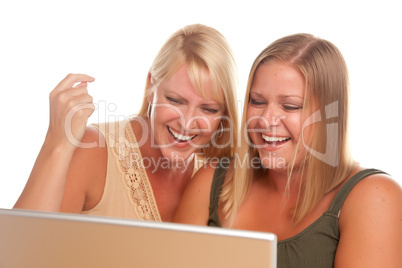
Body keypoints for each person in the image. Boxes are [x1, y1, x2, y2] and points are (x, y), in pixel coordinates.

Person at [174, 33, 402, 267]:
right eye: (257, 101)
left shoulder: (375, 197)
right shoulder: (211, 181)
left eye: (290, 105)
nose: (266, 120)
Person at [14, 24, 239, 222]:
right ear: (151, 87)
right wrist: (57, 143)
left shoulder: (215, 178)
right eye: (175, 100)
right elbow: (20, 252)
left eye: (208, 109)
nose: (188, 122)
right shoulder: (93, 150)